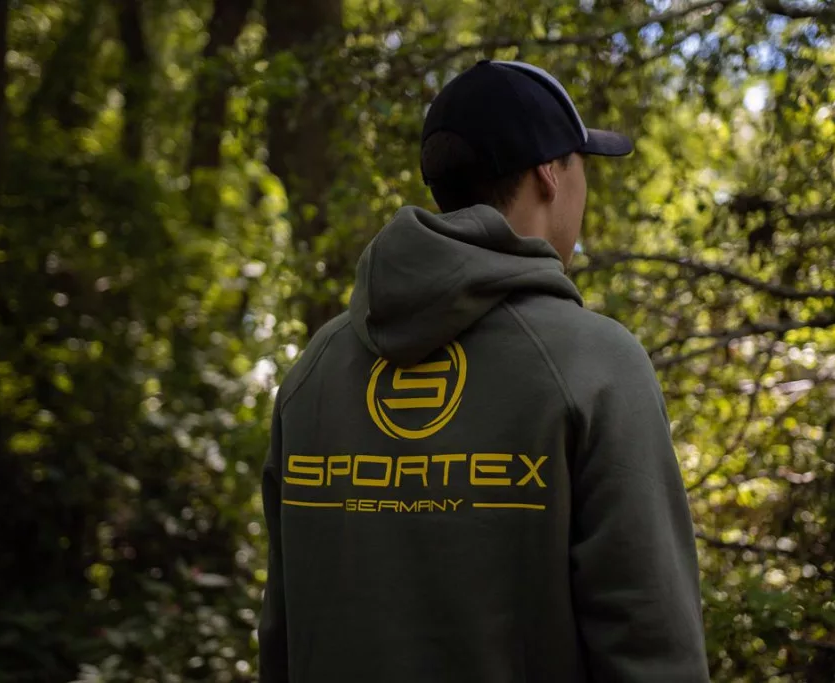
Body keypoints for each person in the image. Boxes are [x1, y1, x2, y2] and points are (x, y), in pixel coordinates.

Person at [258, 59, 709, 682]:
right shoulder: (596, 364)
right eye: (582, 164)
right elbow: (653, 647)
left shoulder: (316, 368)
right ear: (550, 173)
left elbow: (281, 635)